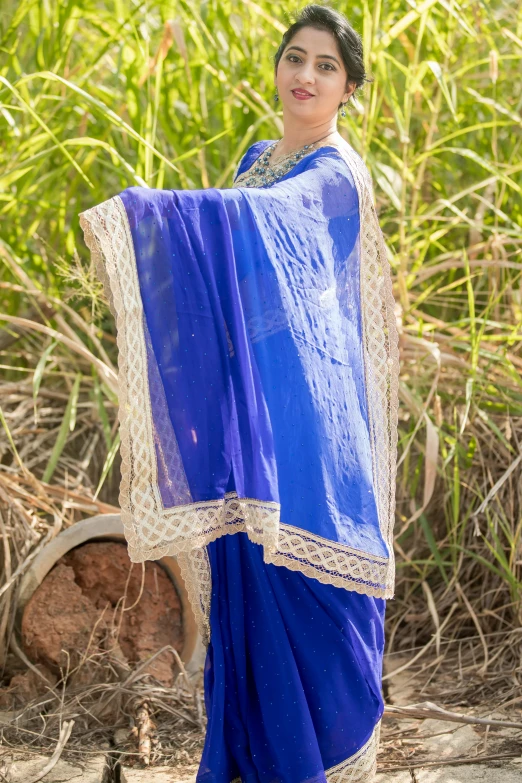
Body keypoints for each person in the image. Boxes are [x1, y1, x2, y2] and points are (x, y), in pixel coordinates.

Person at [79, 5, 400, 782]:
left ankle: (317, 758)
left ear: (349, 89)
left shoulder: (332, 178)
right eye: (296, 58)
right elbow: (221, 279)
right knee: (250, 582)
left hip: (308, 419)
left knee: (309, 584)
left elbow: (262, 222)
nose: (306, 76)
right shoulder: (258, 156)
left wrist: (148, 210)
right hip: (252, 408)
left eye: (326, 66)